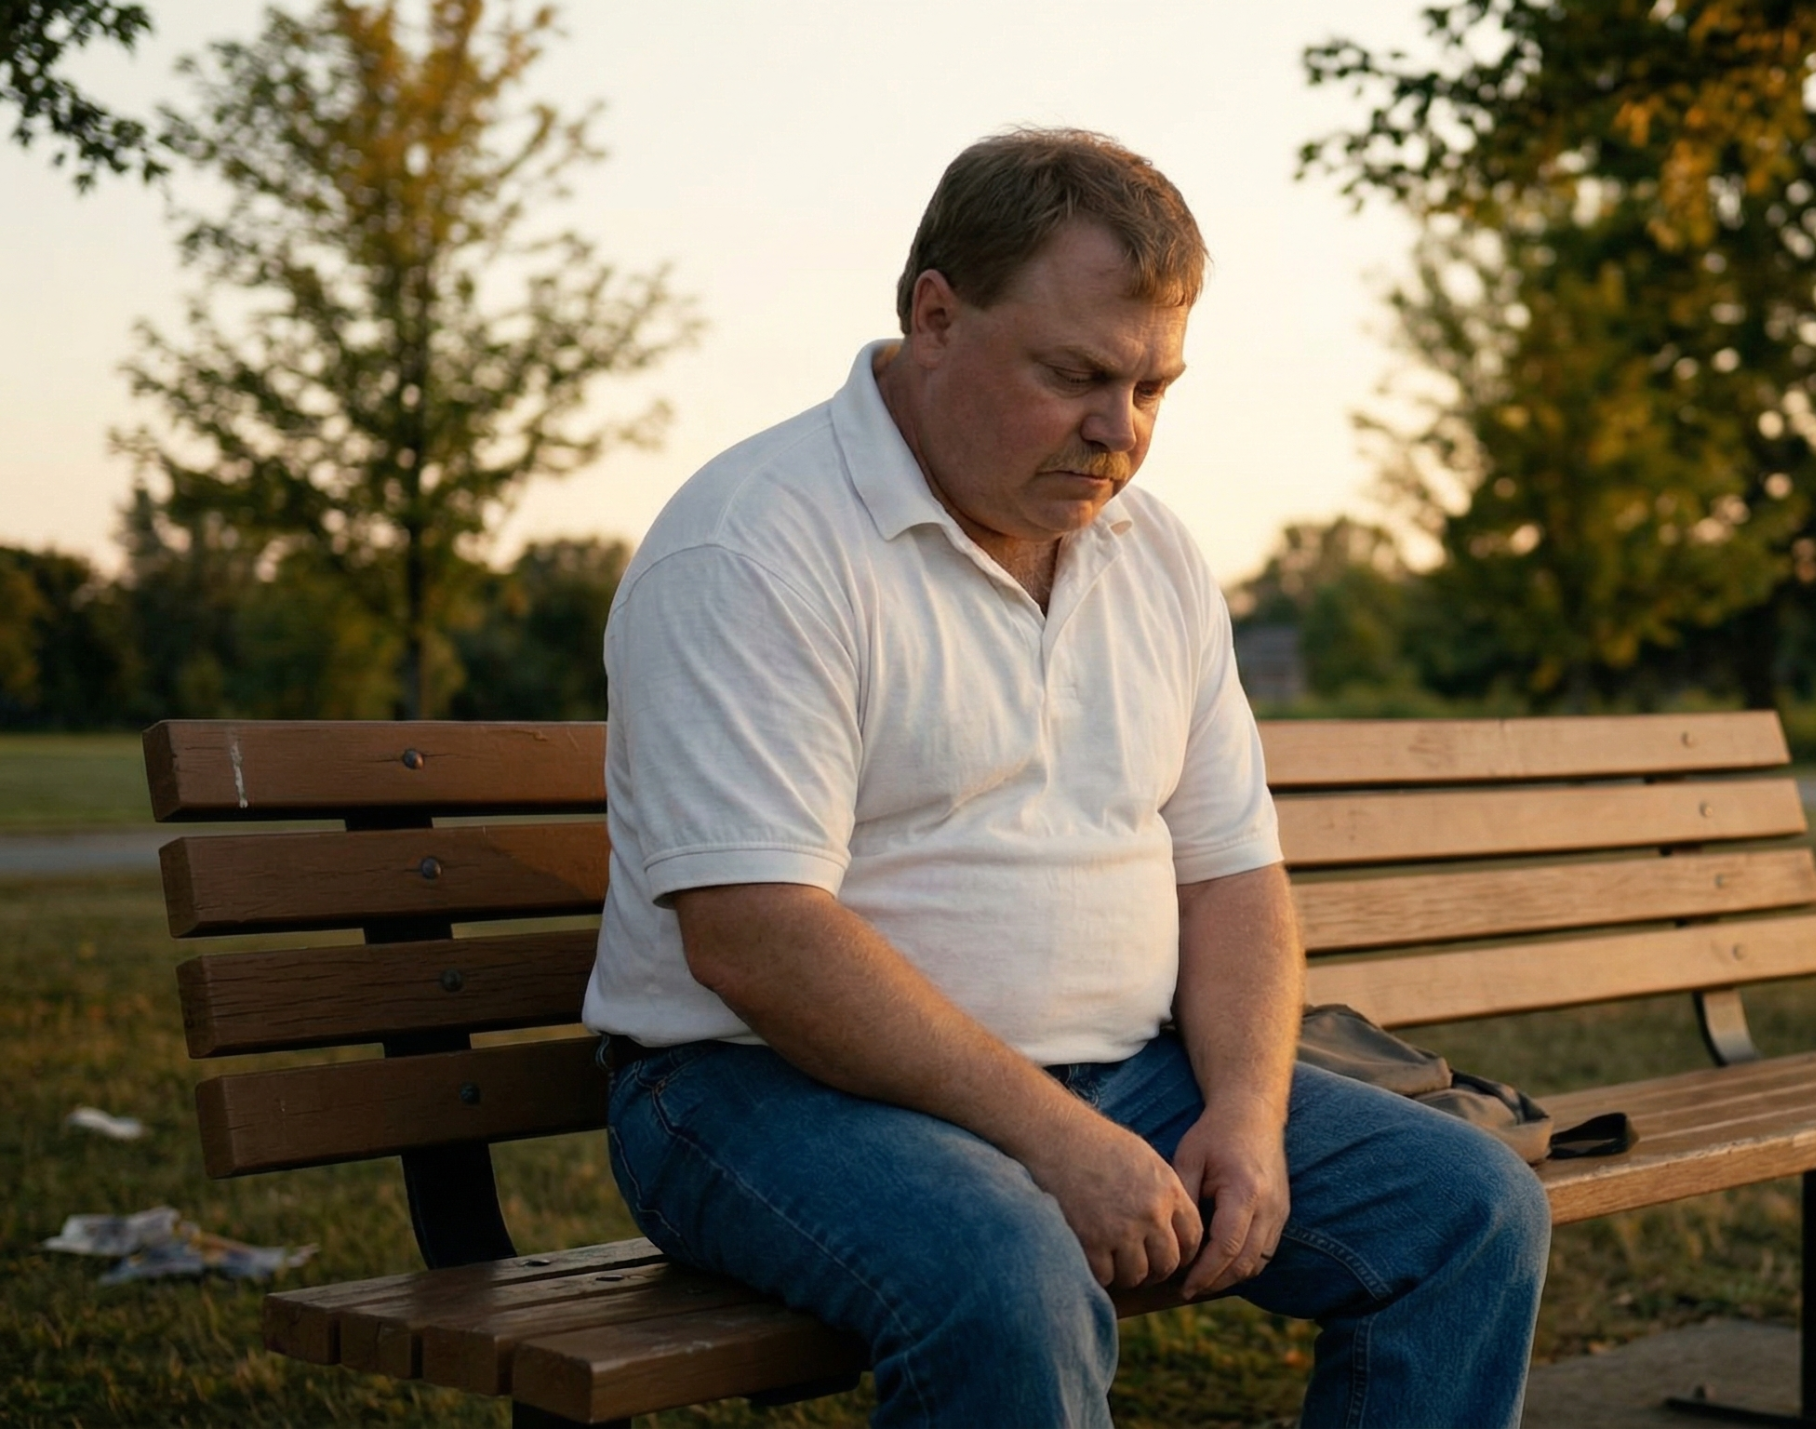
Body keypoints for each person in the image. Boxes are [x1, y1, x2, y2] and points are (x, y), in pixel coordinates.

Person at [582, 128, 1549, 1428]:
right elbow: (758, 940)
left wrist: (1249, 1118)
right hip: (760, 1090)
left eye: (1155, 387)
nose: (1122, 433)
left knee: (1469, 1207)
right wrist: (1056, 1139)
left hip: (1123, 1072)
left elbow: (1233, 874)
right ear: (936, 315)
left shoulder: (1148, 553)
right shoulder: (756, 547)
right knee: (1011, 1268)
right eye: (1077, 375)